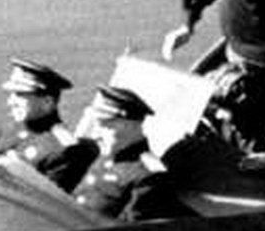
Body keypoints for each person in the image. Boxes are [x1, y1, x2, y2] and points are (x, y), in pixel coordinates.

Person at [66, 85, 187, 221]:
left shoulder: (148, 175)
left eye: (103, 125)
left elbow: (128, 229)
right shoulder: (104, 152)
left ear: (129, 124)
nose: (95, 134)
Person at [0, 57, 79, 177]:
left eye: (20, 95)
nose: (10, 102)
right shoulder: (9, 129)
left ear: (47, 102)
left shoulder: (62, 149)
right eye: (11, 94)